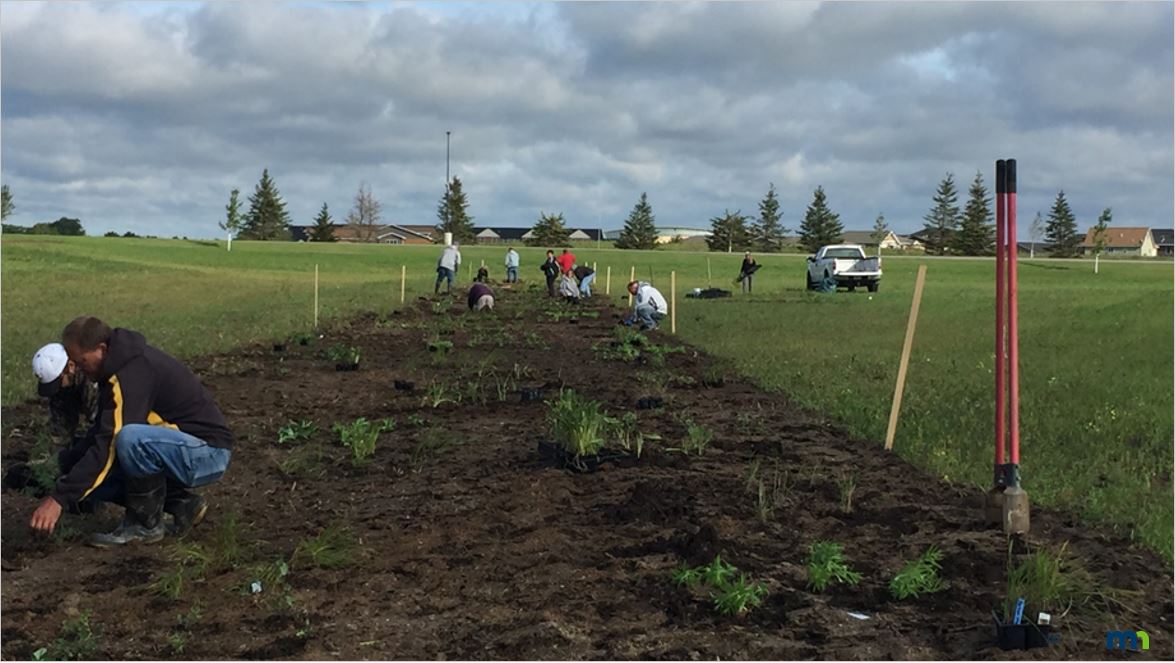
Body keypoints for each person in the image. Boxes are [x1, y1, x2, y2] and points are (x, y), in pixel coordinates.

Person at [29, 316, 234, 547]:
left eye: (82, 361)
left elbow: (108, 443)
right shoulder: (116, 370)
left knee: (129, 439)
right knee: (102, 469)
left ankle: (144, 526)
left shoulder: (130, 375)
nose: (81, 369)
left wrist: (58, 499)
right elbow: (97, 436)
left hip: (208, 452)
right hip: (181, 446)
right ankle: (182, 504)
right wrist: (61, 467)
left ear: (101, 349)